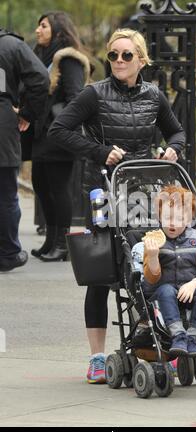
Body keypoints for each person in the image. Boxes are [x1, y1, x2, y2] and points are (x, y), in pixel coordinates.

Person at [48, 28, 185, 383]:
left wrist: (174, 149)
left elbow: (177, 132)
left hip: (142, 192)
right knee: (102, 273)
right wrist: (99, 152)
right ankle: (96, 357)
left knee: (148, 264)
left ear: (141, 59)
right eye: (113, 55)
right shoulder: (94, 94)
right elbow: (59, 130)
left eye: (126, 55)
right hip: (102, 191)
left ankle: (155, 343)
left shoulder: (154, 96)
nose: (119, 61)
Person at [29, 11, 91, 262]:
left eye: (43, 26)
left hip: (60, 134)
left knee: (58, 189)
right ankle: (50, 241)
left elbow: (76, 97)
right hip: (43, 134)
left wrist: (59, 120)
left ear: (57, 29)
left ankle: (63, 244)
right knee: (41, 185)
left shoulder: (68, 58)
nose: (37, 30)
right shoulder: (41, 56)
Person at [143, 185, 196, 356]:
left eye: (179, 218)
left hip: (190, 293)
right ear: (159, 217)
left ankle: (193, 337)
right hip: (163, 295)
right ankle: (178, 335)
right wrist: (153, 257)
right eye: (167, 217)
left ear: (189, 219)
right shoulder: (153, 242)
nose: (173, 223)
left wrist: (194, 283)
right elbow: (151, 279)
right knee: (166, 290)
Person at [0, 27, 49, 272]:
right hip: (2, 126)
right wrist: (29, 113)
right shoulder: (10, 45)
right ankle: (8, 253)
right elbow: (40, 78)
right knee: (6, 194)